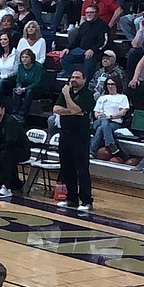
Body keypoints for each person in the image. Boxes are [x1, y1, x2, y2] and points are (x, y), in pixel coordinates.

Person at [52, 69, 94, 214]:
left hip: (80, 136)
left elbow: (77, 109)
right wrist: (71, 111)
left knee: (81, 169)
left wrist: (67, 96)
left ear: (84, 79)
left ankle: (87, 201)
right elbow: (56, 109)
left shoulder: (87, 95)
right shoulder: (66, 91)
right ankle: (71, 198)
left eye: (77, 77)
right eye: (72, 76)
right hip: (65, 134)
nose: (73, 79)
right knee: (66, 167)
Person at [0, 100, 29, 199]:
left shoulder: (10, 121)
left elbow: (10, 144)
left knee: (5, 154)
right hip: (4, 148)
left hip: (21, 150)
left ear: (3, 109)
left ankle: (7, 187)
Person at [90, 77, 131, 162]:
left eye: (112, 84)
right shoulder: (102, 98)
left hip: (114, 122)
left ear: (117, 85)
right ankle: (111, 144)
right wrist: (99, 116)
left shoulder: (122, 97)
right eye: (108, 84)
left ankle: (91, 152)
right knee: (103, 121)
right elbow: (96, 112)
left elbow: (123, 112)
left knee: (101, 128)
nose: (110, 86)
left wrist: (111, 116)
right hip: (99, 121)